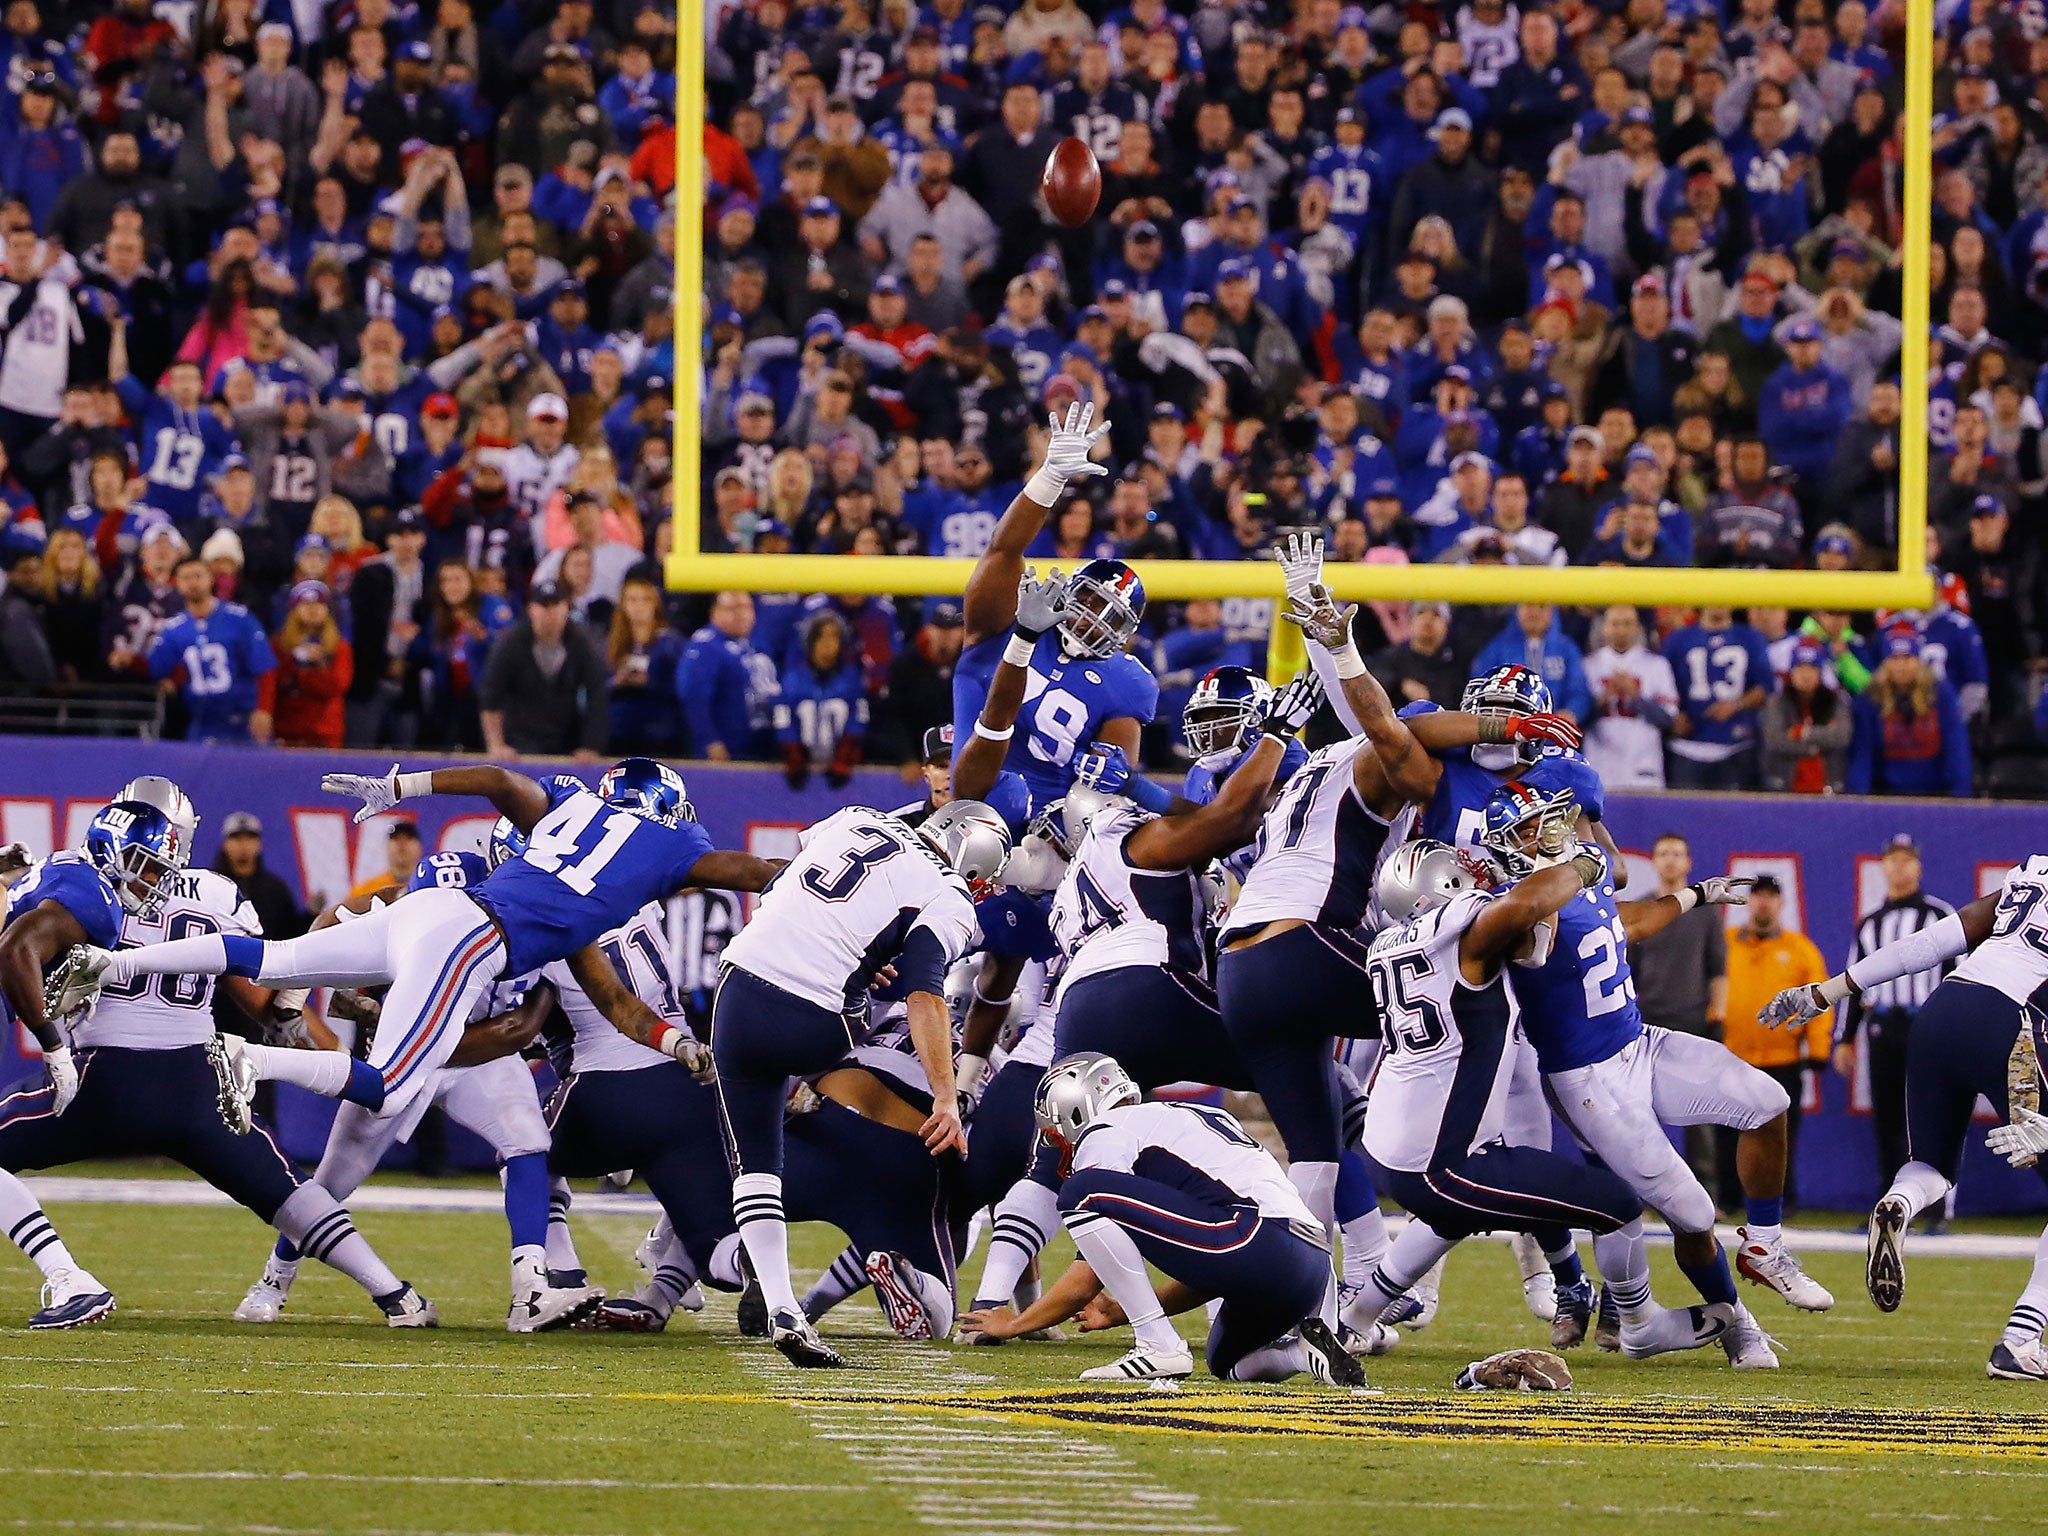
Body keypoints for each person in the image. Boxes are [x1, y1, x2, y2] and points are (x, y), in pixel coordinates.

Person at [57, 761, 777, 1328]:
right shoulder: (661, 856)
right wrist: (798, 882)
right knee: (396, 1086)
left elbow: (499, 784)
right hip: (466, 948)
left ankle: (116, 962)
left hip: (433, 926)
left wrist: (400, 784)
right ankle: (255, 1059)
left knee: (270, 958)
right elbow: (740, 876)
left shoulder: (567, 811)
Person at [0, 794, 434, 1330]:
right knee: (284, 1190)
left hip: (104, 1079)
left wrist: (19, 880)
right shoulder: (217, 893)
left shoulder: (74, 878)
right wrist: (333, 1054)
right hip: (199, 1082)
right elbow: (267, 1005)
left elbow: (21, 937)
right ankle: (395, 1294)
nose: (165, 858)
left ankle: (67, 1276)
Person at [707, 798, 1006, 1368]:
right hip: (817, 1025)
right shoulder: (950, 895)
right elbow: (924, 993)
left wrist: (865, 948)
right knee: (862, 1011)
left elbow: (790, 882)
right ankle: (815, 1082)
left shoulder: (856, 818)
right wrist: (946, 1095)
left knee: (757, 1169)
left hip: (738, 990)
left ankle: (783, 1306)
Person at [1762, 855, 2048, 1377]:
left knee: (1931, 1164)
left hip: (1944, 1008)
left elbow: (1933, 942)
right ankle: (2022, 1338)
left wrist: (1827, 991)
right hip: (2015, 1024)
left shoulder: (2032, 876)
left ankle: (1899, 1202)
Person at [958, 1054, 1361, 1387]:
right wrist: (1119, 1311)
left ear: (1075, 1112)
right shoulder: (1180, 1122)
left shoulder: (1107, 1130)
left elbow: (1084, 1280)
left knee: (1081, 1190)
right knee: (1229, 1363)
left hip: (1253, 1235)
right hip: (1309, 1262)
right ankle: (1302, 1353)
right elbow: (1211, 1261)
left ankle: (1157, 1346)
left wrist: (1015, 1323)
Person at [1837, 836, 1957, 1206]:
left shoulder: (1939, 916)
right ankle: (1888, 1204)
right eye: (1893, 860)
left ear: (1918, 866)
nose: (1900, 867)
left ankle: (1936, 1207)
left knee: (1931, 1117)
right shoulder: (1870, 923)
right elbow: (1854, 982)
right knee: (1886, 1119)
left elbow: (1959, 976)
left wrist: (1954, 1032)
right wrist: (1844, 1037)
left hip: (1927, 1027)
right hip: (1883, 1027)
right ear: (1883, 866)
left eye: (1907, 860)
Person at [1719, 875, 1830, 1216]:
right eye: (1758, 896)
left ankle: (1781, 1200)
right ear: (1748, 901)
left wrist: (1818, 1048)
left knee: (1779, 1137)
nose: (1763, 903)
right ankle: (1727, 1197)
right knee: (1726, 1133)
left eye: (1771, 896)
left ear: (1782, 903)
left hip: (1781, 1058)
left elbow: (1820, 997)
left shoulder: (1800, 949)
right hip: (1731, 1054)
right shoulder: (1725, 943)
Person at [1627, 832, 1731, 1192]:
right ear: (1654, 861)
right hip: (1646, 1020)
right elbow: (1627, 971)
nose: (1670, 860)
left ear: (1688, 863)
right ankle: (1639, 1195)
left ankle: (1705, 1194)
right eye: (1663, 853)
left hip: (1692, 1020)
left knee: (1699, 1116)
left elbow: (1718, 969)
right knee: (1636, 1112)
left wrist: (1718, 1016)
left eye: (1677, 854)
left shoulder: (1705, 913)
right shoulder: (1641, 908)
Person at [147, 556, 276, 744]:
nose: (193, 583)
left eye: (198, 576)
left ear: (211, 578)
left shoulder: (239, 619)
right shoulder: (173, 629)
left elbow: (264, 668)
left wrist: (264, 709)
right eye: (186, 578)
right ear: (176, 583)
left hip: (243, 722)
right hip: (202, 724)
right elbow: (158, 669)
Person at [479, 579, 609, 761]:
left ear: (566, 607)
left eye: (555, 605)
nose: (550, 612)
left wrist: (591, 746)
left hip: (567, 740)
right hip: (521, 741)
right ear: (531, 609)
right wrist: (496, 745)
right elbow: (492, 696)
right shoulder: (511, 644)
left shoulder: (582, 644)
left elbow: (597, 696)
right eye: (543, 605)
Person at [1846, 632, 1972, 798]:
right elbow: (1863, 756)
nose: (1901, 666)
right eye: (1895, 658)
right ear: (1885, 663)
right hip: (1885, 796)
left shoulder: (1941, 696)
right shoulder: (1870, 699)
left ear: (1919, 661)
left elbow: (1957, 750)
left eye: (1907, 658)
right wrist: (1857, 800)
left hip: (1936, 795)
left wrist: (1960, 797)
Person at [1663, 606, 1771, 790]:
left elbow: (1766, 687)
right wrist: (1673, 718)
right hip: (1687, 747)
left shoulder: (1750, 637)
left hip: (1736, 746)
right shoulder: (1678, 640)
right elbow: (1662, 686)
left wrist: (1736, 704)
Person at [1580, 603, 1679, 789]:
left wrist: (1636, 697)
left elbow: (1668, 719)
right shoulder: (1589, 665)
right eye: (1615, 624)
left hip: (1643, 762)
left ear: (1637, 628)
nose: (1621, 630)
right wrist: (1603, 699)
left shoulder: (1656, 664)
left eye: (1627, 624)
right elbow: (1578, 721)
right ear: (1605, 627)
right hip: (1600, 763)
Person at [260, 579, 351, 748]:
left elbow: (338, 684)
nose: (312, 610)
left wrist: (309, 671)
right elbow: (272, 681)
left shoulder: (339, 646)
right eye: (305, 604)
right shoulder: (278, 644)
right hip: (286, 729)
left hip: (325, 731)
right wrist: (293, 659)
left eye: (318, 604)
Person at [1760, 640, 1851, 793]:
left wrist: (1803, 732)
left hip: (1829, 789)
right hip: (1785, 787)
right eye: (1800, 667)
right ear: (1791, 672)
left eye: (1812, 668)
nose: (1806, 675)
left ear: (1820, 672)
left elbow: (1842, 736)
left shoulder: (1835, 702)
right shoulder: (1777, 702)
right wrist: (1815, 747)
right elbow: (1775, 740)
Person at [211, 810, 308, 939]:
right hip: (222, 956)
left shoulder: (274, 889)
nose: (243, 844)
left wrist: (310, 915)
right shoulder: (213, 885)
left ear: (259, 844)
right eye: (236, 838)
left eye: (250, 838)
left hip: (268, 957)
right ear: (225, 844)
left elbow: (291, 934)